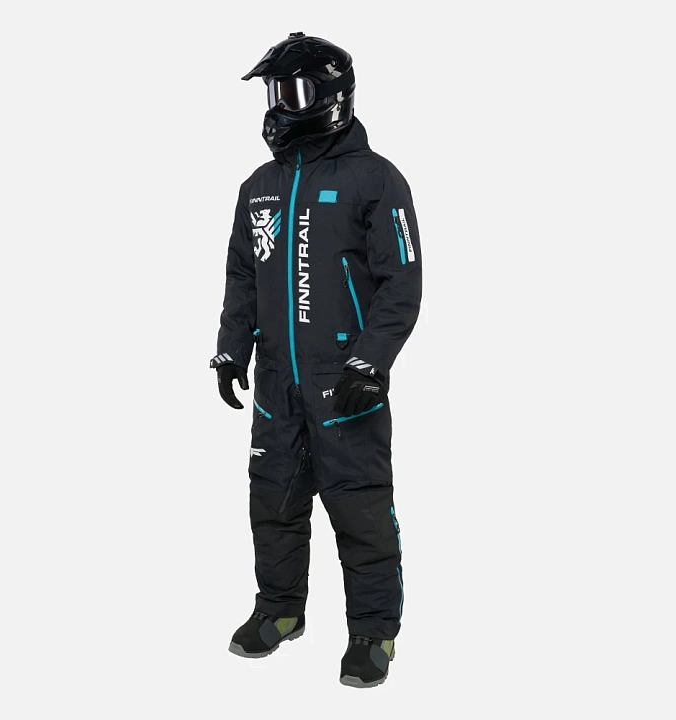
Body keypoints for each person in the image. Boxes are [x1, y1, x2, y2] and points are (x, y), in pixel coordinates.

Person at [210, 32, 422, 688]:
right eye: (276, 92)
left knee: (359, 504)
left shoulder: (375, 179)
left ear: (332, 96)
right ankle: (279, 609)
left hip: (344, 384)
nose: (282, 105)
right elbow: (243, 276)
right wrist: (231, 347)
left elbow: (402, 281)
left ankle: (373, 632)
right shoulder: (259, 187)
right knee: (273, 499)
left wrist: (370, 362)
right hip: (278, 382)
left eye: (295, 92)